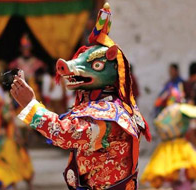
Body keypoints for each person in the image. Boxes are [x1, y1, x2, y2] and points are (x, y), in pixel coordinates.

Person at [10, 3, 151, 189]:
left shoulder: (111, 115)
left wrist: (31, 106)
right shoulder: (114, 107)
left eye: (96, 66)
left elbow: (65, 133)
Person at [140, 103, 196, 190]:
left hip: (165, 147)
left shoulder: (168, 110)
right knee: (186, 170)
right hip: (179, 146)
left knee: (175, 174)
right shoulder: (182, 108)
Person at [9, 34, 45, 101]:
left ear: (30, 48)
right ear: (21, 49)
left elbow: (43, 67)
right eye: (24, 48)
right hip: (20, 85)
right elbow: (10, 67)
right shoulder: (17, 61)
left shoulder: (36, 61)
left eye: (27, 47)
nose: (26, 50)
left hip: (32, 86)